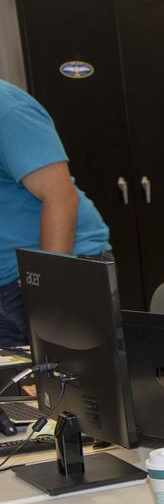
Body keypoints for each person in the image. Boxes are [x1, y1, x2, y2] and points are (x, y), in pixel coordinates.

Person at [0, 79, 112, 346]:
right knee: (12, 383)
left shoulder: (8, 110)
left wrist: (47, 291)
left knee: (74, 383)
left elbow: (60, 197)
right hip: (7, 280)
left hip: (51, 269)